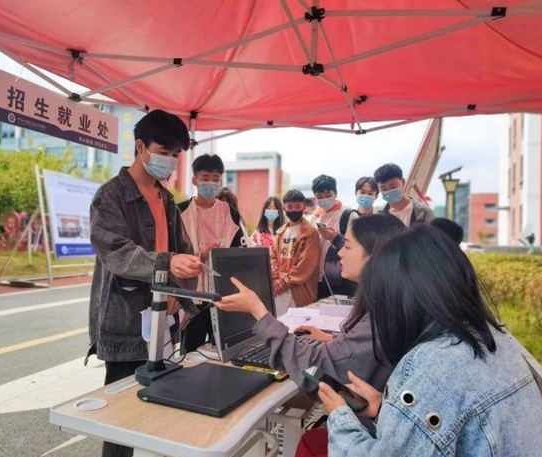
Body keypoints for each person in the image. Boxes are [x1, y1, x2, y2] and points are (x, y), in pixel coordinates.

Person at [318, 226, 542, 456]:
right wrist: (383, 408)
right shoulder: (493, 338)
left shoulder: (433, 364)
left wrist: (340, 416)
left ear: (402, 296)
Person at [88, 110, 202, 457]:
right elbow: (116, 252)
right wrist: (167, 264)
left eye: (176, 154)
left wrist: (180, 292)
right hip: (126, 322)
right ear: (141, 147)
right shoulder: (111, 196)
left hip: (162, 321)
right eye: (164, 152)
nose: (170, 161)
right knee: (121, 421)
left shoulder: (166, 199)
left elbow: (183, 249)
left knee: (156, 412)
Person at [215, 214, 406, 394]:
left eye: (347, 247)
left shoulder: (380, 321)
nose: (340, 253)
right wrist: (332, 340)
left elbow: (313, 369)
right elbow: (358, 351)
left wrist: (259, 312)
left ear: (376, 255)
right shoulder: (391, 307)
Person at [177, 155, 245, 351]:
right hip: (191, 294)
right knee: (190, 350)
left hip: (222, 293)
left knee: (223, 347)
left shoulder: (229, 212)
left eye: (216, 178)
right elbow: (174, 254)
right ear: (195, 180)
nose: (211, 183)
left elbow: (238, 252)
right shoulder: (180, 211)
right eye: (205, 178)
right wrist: (202, 255)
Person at [270, 189, 320, 313]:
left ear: (303, 206)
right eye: (290, 207)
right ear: (284, 208)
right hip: (279, 289)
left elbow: (306, 264)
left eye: (297, 207)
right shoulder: (280, 232)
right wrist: (275, 278)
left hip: (300, 291)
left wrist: (283, 282)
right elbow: (272, 257)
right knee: (279, 320)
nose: (293, 210)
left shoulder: (310, 233)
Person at [312, 175, 355, 299]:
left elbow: (356, 246)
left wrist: (335, 238)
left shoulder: (348, 215)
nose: (324, 199)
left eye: (327, 195)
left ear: (335, 193)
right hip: (317, 279)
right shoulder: (314, 218)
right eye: (319, 197)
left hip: (340, 278)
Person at [374, 163, 435, 227]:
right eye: (384, 189)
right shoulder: (378, 215)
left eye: (393, 187)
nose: (389, 191)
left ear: (403, 182)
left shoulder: (424, 213)